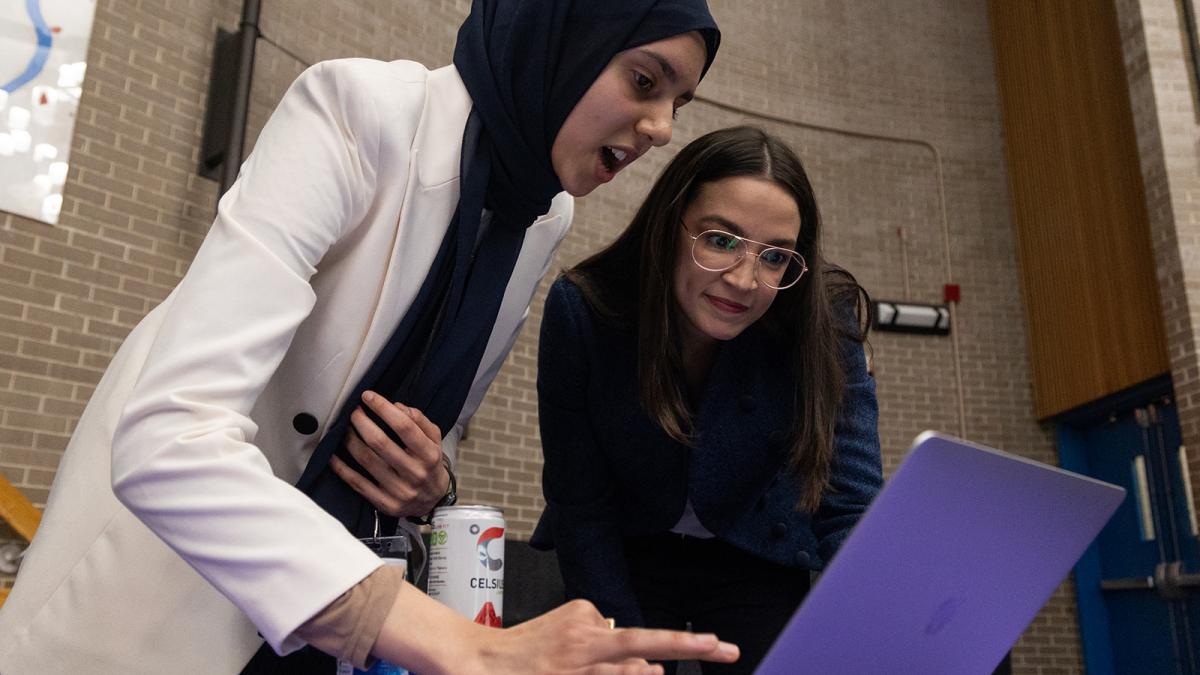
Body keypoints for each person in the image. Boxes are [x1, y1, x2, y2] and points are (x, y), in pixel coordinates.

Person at [0, 2, 742, 674]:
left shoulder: (543, 217)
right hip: (154, 603)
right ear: (557, 39)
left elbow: (434, 427)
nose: (662, 128)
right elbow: (167, 437)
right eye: (645, 80)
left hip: (323, 639)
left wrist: (430, 486)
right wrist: (460, 641)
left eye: (678, 102)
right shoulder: (358, 110)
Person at [532, 126, 884, 674]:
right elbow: (580, 505)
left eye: (775, 258)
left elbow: (850, 502)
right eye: (720, 240)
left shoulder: (822, 317)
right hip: (628, 542)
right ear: (669, 226)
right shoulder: (586, 311)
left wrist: (867, 631)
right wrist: (617, 643)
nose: (745, 281)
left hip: (758, 543)